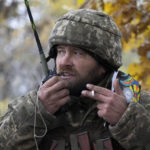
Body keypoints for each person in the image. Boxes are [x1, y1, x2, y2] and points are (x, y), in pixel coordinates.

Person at [0, 9, 150, 150]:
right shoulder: (33, 105)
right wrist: (37, 112)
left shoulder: (137, 103)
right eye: (60, 51)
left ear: (104, 64)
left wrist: (126, 120)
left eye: (77, 53)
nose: (64, 62)